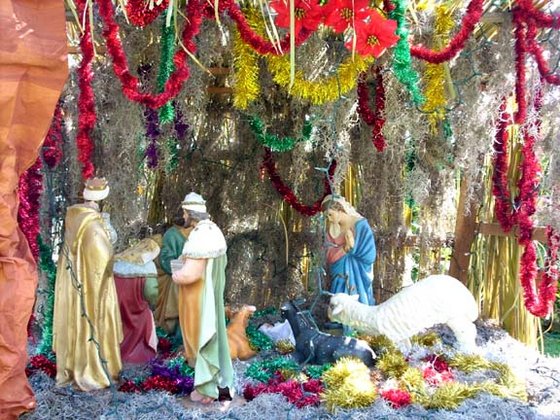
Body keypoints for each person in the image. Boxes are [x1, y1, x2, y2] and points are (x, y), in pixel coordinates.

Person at [52, 177, 123, 391]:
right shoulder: (92, 224)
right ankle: (92, 369)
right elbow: (103, 257)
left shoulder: (74, 218)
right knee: (92, 318)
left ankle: (73, 365)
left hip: (75, 286)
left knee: (76, 319)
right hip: (92, 288)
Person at [172, 192, 233, 404]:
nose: (183, 216)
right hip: (207, 297)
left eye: (184, 212)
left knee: (202, 339)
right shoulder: (213, 230)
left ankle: (207, 388)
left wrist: (176, 274)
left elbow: (191, 274)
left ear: (190, 213)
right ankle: (212, 385)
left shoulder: (200, 235)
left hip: (198, 300)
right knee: (211, 339)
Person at [322, 194, 376, 306]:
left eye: (331, 214)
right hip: (338, 274)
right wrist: (344, 249)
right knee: (337, 304)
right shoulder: (332, 228)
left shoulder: (360, 225)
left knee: (356, 305)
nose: (329, 219)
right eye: (327, 216)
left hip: (357, 274)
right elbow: (328, 252)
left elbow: (370, 255)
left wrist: (352, 248)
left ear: (340, 210)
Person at [113, 238, 160, 364]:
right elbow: (151, 292)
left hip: (117, 305)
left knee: (120, 328)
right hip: (138, 309)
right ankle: (138, 358)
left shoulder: (118, 263)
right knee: (138, 332)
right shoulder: (148, 266)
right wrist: (153, 304)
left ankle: (117, 354)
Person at [154, 205, 192, 335]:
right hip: (176, 276)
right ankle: (175, 329)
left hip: (193, 275)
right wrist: (183, 268)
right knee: (178, 290)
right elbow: (165, 260)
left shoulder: (197, 233)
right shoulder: (172, 234)